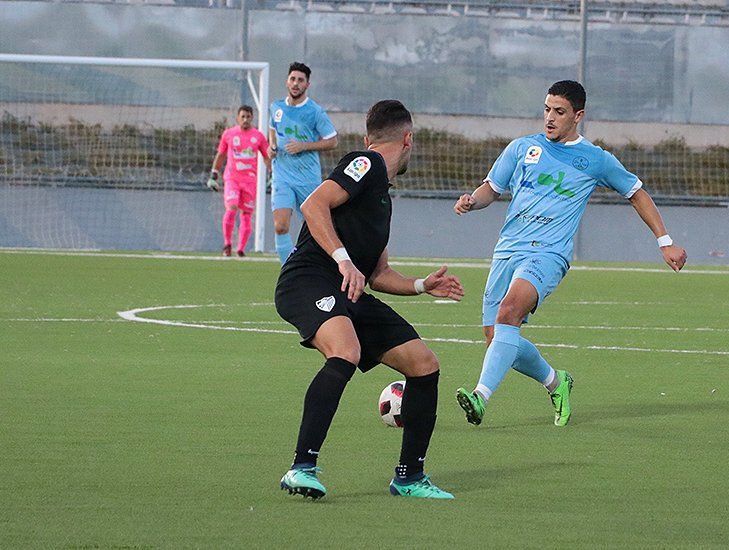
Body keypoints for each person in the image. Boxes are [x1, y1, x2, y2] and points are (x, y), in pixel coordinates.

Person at [453, 80, 687, 427]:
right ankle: (555, 381)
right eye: (547, 109)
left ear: (577, 116)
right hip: (507, 251)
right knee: (498, 339)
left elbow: (636, 193)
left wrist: (664, 240)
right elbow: (492, 188)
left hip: (548, 254)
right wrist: (473, 202)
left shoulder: (596, 159)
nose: (550, 118)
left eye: (559, 112)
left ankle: (481, 398)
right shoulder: (522, 148)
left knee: (509, 312)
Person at [275, 100, 463, 500]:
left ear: (368, 135)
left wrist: (420, 285)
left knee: (424, 364)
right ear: (408, 138)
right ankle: (301, 467)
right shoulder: (366, 162)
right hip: (308, 279)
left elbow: (378, 275)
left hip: (351, 289)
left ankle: (409, 477)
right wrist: (343, 260)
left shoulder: (382, 197)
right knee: (345, 351)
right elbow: (312, 205)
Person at [269, 62, 339, 264]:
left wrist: (304, 146)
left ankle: (329, 267)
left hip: (307, 178)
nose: (296, 83)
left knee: (317, 228)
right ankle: (287, 270)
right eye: (293, 79)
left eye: (300, 80)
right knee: (280, 226)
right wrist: (271, 147)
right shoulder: (276, 107)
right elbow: (272, 129)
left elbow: (332, 140)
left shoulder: (314, 111)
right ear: (287, 81)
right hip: (282, 176)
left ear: (307, 84)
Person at [207, 104, 271, 257]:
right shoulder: (229, 134)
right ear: (237, 118)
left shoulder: (259, 136)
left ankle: (241, 248)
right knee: (232, 207)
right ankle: (227, 244)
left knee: (247, 214)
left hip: (250, 181)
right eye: (242, 116)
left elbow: (267, 156)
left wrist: (272, 174)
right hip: (232, 179)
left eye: (248, 117)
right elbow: (221, 154)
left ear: (252, 118)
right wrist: (213, 174)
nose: (245, 120)